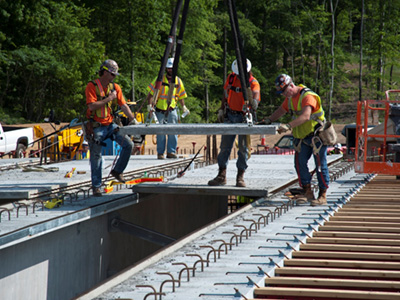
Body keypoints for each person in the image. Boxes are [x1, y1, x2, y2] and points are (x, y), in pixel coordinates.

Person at [263, 74, 329, 206]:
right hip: (302, 138)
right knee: (299, 164)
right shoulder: (290, 99)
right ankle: (307, 191)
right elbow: (281, 110)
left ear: (291, 85)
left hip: (316, 136)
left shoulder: (307, 96)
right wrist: (269, 119)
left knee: (320, 166)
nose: (283, 94)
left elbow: (305, 116)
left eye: (284, 91)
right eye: (281, 92)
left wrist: (288, 126)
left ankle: (322, 195)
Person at [85, 59, 135, 197]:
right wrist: (109, 99)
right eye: (112, 74)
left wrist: (133, 120)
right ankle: (96, 186)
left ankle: (117, 171)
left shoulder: (115, 87)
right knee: (96, 156)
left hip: (111, 125)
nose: (114, 77)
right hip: (96, 126)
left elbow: (124, 105)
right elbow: (91, 106)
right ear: (105, 72)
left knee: (128, 144)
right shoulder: (92, 86)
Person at [208, 59, 260, 187]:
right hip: (230, 115)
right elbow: (225, 94)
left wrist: (255, 103)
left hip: (244, 117)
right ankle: (221, 175)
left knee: (243, 149)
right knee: (225, 147)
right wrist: (221, 109)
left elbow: (256, 95)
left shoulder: (252, 83)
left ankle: (240, 176)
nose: (237, 75)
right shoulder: (231, 78)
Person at [146, 57, 189, 159]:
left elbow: (181, 96)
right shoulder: (159, 79)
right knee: (160, 133)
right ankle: (160, 153)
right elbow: (150, 95)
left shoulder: (178, 81)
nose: (170, 70)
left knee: (173, 132)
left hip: (172, 110)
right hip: (160, 110)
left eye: (171, 68)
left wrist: (184, 107)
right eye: (168, 68)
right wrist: (150, 106)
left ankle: (171, 152)